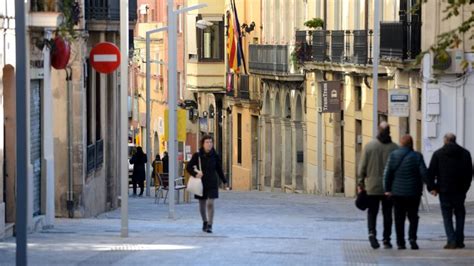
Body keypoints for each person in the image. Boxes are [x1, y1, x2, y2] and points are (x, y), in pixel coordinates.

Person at [357, 121, 398, 249]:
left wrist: (360, 182)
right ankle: (387, 239)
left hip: (372, 187)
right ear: (389, 131)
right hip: (389, 188)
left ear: (378, 130)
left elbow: (362, 167)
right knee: (387, 214)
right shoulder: (394, 148)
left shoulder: (370, 147)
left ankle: (372, 234)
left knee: (372, 212)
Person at [428, 133, 472, 249]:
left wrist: (432, 188)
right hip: (459, 191)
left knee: (447, 216)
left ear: (445, 140)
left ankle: (451, 241)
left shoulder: (438, 154)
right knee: (460, 214)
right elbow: (469, 174)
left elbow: (431, 172)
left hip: (444, 190)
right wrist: (465, 188)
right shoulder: (466, 153)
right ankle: (459, 241)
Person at [384, 135, 428, 250]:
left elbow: (388, 174)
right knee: (413, 217)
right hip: (414, 193)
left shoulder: (393, 155)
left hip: (397, 193)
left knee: (399, 218)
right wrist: (431, 186)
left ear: (401, 143)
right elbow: (424, 173)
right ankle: (412, 239)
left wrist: (387, 189)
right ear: (411, 143)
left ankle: (400, 242)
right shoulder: (417, 156)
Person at [186, 135, 229, 233]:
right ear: (203, 144)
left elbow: (219, 169)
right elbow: (188, 167)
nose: (209, 144)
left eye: (211, 142)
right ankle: (204, 221)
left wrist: (224, 181)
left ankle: (210, 224)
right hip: (201, 183)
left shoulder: (215, 155)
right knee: (202, 204)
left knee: (210, 203)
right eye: (207, 142)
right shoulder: (197, 155)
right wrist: (195, 174)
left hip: (212, 183)